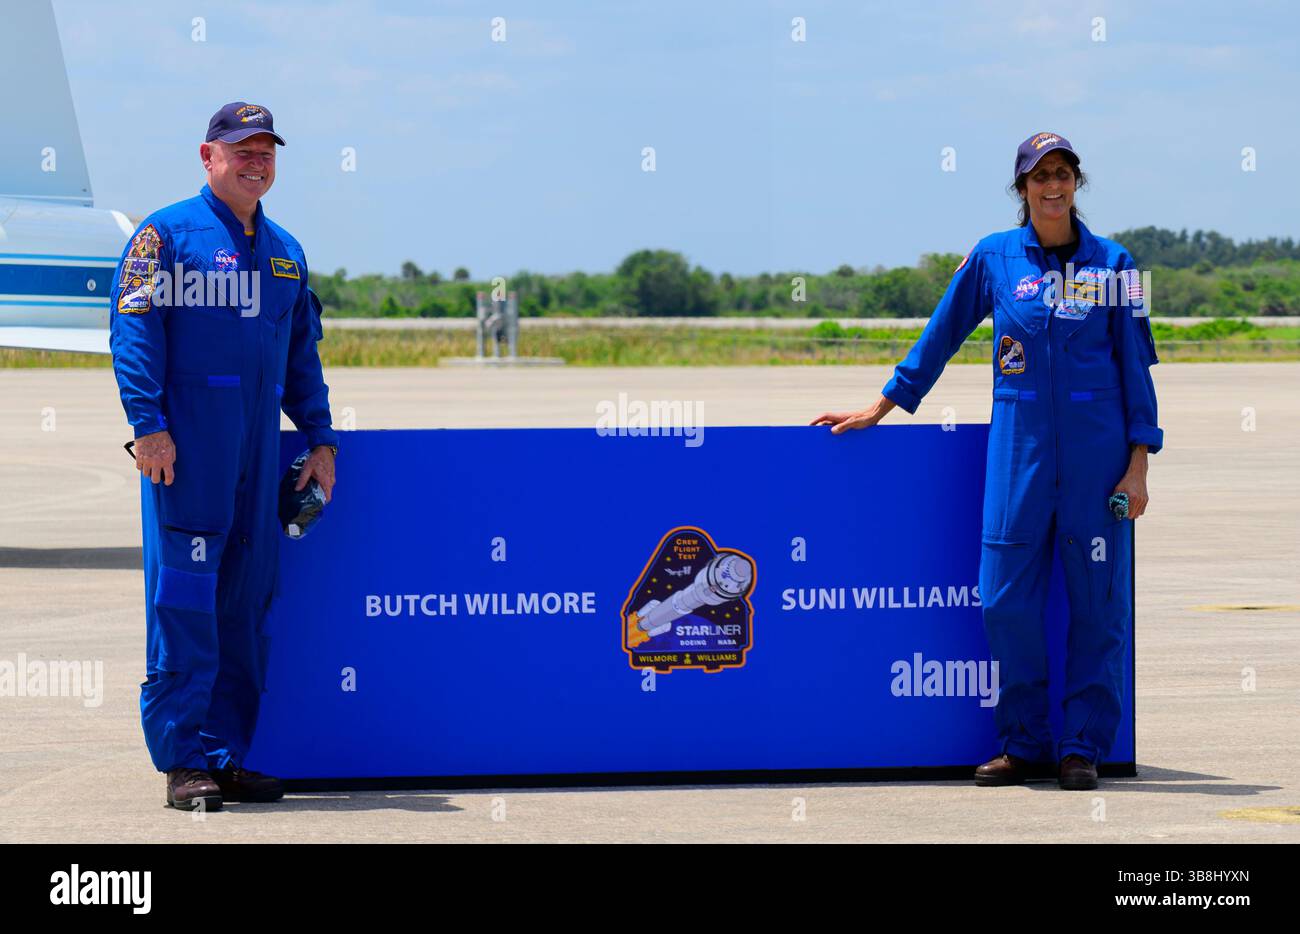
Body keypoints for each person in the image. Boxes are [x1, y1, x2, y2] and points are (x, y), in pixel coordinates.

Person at [812, 132, 1161, 791]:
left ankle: (1081, 747)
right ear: (1021, 188)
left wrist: (1139, 463)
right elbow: (941, 334)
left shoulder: (1117, 265)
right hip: (1018, 455)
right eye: (1039, 177)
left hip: (1098, 459)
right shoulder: (993, 258)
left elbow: (1137, 367)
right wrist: (881, 406)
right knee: (1002, 600)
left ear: (1076, 184)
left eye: (1063, 174)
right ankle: (1025, 744)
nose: (1052, 186)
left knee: (1099, 607)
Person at [110, 102, 339, 810]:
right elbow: (134, 332)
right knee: (185, 602)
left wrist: (321, 437)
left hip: (257, 462)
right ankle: (183, 762)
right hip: (188, 458)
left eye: (266, 149)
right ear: (208, 156)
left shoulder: (287, 255)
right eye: (241, 149)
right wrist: (148, 425)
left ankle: (225, 756)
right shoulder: (164, 237)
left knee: (245, 606)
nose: (256, 161)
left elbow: (302, 357)